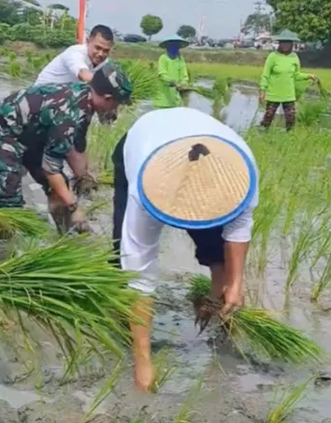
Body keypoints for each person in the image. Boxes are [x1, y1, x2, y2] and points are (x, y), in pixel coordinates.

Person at [111, 107, 259, 392]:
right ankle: (123, 323)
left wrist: (237, 282)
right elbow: (140, 276)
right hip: (144, 142)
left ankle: (222, 310)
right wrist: (143, 361)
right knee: (122, 255)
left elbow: (238, 228)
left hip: (202, 145)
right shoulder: (144, 193)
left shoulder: (240, 172)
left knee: (217, 247)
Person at [0, 63, 132, 234]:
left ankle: (64, 238)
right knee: (10, 197)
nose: (115, 111)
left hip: (34, 133)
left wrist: (84, 177)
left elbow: (77, 145)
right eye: (116, 105)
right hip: (6, 130)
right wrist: (75, 207)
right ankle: (5, 247)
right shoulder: (69, 115)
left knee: (57, 192)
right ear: (107, 98)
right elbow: (51, 169)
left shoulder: (86, 99)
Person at [259, 29, 318, 131]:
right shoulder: (273, 57)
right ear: (279, 43)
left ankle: (289, 137)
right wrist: (262, 91)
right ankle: (263, 134)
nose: (285, 45)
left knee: (291, 118)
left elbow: (296, 75)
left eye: (287, 43)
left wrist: (309, 76)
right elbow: (265, 75)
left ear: (292, 44)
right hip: (274, 94)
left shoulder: (294, 57)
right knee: (268, 117)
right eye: (283, 43)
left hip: (289, 95)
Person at [35, 25, 114, 86]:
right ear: (88, 41)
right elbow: (84, 75)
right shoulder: (75, 53)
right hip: (40, 94)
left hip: (63, 96)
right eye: (97, 48)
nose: (101, 54)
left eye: (106, 51)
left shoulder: (104, 62)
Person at [153, 35, 190, 109]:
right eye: (172, 46)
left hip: (175, 100)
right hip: (162, 99)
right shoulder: (163, 58)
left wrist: (182, 84)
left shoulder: (180, 60)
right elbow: (162, 74)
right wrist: (172, 82)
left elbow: (184, 76)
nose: (174, 49)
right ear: (167, 48)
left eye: (176, 47)